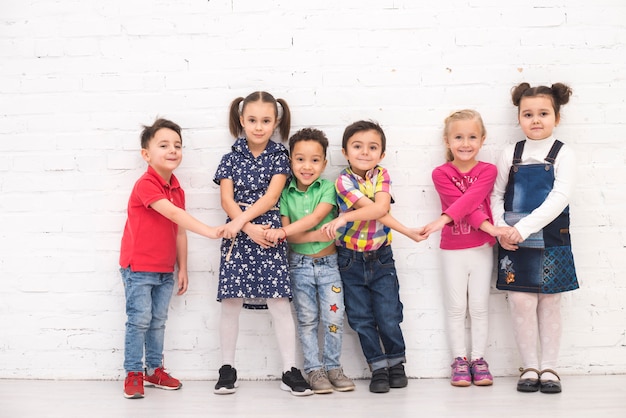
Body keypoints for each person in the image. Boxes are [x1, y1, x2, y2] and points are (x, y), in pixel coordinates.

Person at [213, 91, 312, 396]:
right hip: (239, 237)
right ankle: (227, 368)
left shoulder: (280, 156)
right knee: (231, 303)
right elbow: (227, 199)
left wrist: (247, 225)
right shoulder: (229, 158)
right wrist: (245, 228)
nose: (259, 126)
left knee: (279, 303)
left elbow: (271, 197)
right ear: (242, 121)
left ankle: (289, 369)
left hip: (268, 234)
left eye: (266, 121)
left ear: (276, 122)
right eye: (252, 120)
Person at [120, 118, 223, 399]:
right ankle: (133, 372)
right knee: (139, 320)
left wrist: (183, 267)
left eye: (177, 145)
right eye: (164, 145)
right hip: (139, 268)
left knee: (158, 321)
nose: (172, 150)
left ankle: (154, 369)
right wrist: (211, 231)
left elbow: (178, 231)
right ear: (146, 154)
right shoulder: (146, 185)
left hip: (165, 269)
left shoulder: (177, 189)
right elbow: (176, 215)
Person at [320, 120, 426, 394]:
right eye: (357, 146)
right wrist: (408, 231)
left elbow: (379, 208)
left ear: (381, 154)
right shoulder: (342, 181)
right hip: (350, 260)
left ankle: (397, 364)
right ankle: (378, 367)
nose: (365, 152)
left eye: (372, 147)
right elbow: (377, 210)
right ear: (345, 151)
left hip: (381, 259)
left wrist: (345, 217)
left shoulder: (382, 175)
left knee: (388, 314)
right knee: (360, 317)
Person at [492, 83, 579, 394]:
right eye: (528, 114)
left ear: (556, 116)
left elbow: (560, 197)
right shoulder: (509, 153)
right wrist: (502, 229)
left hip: (552, 236)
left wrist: (524, 227)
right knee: (520, 302)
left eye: (543, 113)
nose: (536, 120)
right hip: (513, 240)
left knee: (551, 302)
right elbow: (496, 195)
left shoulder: (563, 153)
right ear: (519, 118)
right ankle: (529, 366)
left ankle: (550, 367)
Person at [419, 110, 512, 387]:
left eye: (472, 137)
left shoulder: (488, 171)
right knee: (457, 307)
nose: (465, 143)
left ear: (482, 139)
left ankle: (479, 360)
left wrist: (443, 219)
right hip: (452, 250)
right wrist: (490, 227)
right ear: (447, 141)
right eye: (458, 137)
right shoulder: (441, 173)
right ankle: (460, 360)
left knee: (480, 307)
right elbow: (462, 207)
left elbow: (471, 200)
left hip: (480, 249)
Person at [264, 128, 356, 394]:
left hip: (329, 267)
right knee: (306, 320)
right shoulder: (284, 194)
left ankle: (334, 367)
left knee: (334, 319)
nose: (307, 166)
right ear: (291, 161)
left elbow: (316, 219)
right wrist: (303, 234)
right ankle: (314, 371)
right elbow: (292, 240)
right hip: (299, 266)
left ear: (324, 163)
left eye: (315, 160)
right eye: (300, 159)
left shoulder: (328, 188)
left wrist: (290, 232)